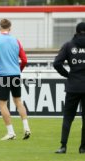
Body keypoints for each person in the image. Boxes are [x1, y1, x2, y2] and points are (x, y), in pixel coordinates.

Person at [0, 19, 31, 141]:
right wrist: (18, 70)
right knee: (18, 101)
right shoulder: (16, 41)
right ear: (10, 28)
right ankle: (26, 128)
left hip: (3, 75)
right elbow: (24, 60)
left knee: (2, 103)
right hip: (16, 74)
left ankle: (11, 132)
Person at [54, 22, 85, 154]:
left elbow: (57, 63)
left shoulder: (68, 45)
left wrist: (68, 75)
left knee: (68, 117)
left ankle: (63, 146)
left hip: (73, 87)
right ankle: (83, 148)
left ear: (76, 31)